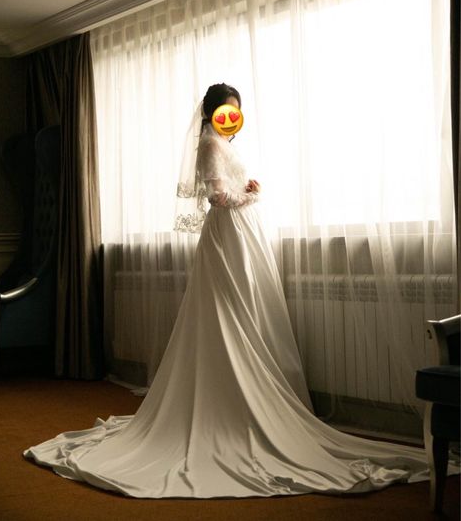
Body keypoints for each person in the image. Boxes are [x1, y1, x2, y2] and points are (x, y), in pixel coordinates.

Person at [24, 83, 433, 498]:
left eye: (236, 111)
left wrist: (246, 188)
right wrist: (249, 194)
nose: (231, 117)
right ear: (212, 112)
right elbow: (218, 196)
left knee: (247, 306)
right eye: (226, 110)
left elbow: (226, 188)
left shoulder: (220, 143)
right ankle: (230, 397)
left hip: (240, 231)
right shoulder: (208, 144)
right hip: (228, 231)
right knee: (227, 308)